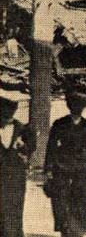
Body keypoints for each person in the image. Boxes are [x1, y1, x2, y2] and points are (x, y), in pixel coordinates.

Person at [45, 85, 86, 237]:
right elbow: (51, 147)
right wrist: (48, 169)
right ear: (70, 107)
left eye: (80, 108)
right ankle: (64, 229)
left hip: (81, 167)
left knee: (81, 199)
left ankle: (78, 229)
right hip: (62, 165)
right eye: (75, 107)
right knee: (61, 199)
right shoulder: (59, 124)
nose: (77, 110)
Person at [1, 95, 35, 237]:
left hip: (15, 178)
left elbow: (31, 149)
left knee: (14, 210)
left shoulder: (24, 130)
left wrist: (23, 147)